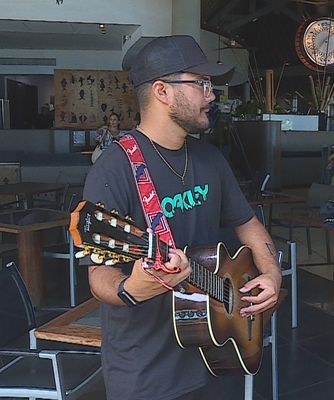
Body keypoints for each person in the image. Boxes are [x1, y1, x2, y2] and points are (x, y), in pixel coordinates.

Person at [83, 35, 281, 400]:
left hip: (215, 352)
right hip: (146, 373)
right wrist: (130, 289)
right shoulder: (113, 170)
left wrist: (271, 274)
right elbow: (99, 274)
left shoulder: (210, 158)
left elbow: (248, 223)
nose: (211, 95)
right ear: (162, 91)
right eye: (201, 84)